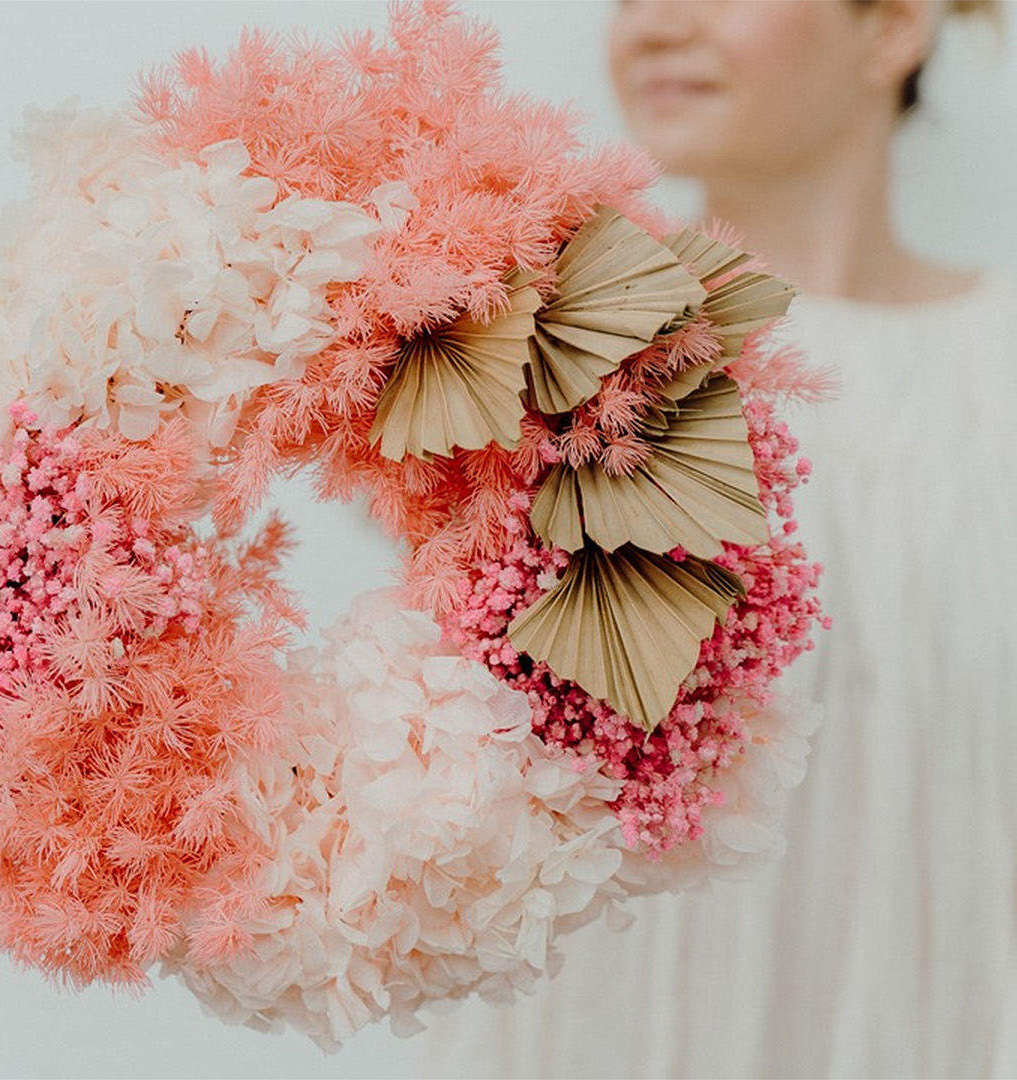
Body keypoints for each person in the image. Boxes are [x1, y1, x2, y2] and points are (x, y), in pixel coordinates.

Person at [421, 1, 1017, 1076]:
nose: (652, 25)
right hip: (619, 1030)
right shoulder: (544, 349)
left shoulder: (999, 373)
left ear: (890, 27)